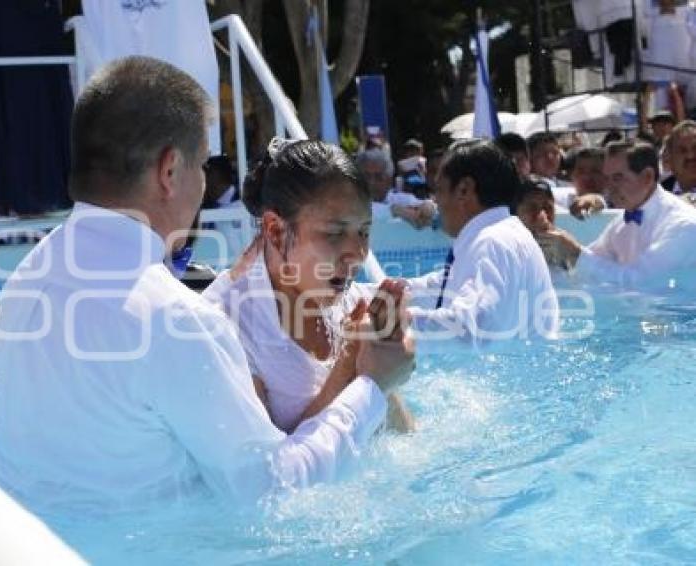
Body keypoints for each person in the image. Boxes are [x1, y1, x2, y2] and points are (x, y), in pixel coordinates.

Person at [0, 56, 415, 507]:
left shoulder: (30, 271)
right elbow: (271, 494)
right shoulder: (178, 318)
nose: (203, 186)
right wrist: (371, 384)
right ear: (170, 171)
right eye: (201, 168)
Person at [203, 139, 416, 435]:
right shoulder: (229, 327)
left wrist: (384, 361)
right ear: (276, 231)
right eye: (335, 233)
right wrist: (354, 367)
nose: (357, 253)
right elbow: (272, 472)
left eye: (363, 232)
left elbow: (405, 437)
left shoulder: (348, 300)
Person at [404, 139, 559, 350]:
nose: (435, 201)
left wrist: (394, 321)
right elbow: (437, 286)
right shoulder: (502, 234)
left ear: (464, 190)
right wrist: (370, 295)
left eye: (438, 189)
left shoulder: (492, 242)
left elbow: (469, 328)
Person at [538, 141, 696, 287]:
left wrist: (574, 254)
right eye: (607, 178)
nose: (609, 187)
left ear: (647, 177)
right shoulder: (622, 221)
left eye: (618, 178)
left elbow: (638, 282)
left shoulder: (684, 225)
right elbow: (592, 262)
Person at [660, 120, 696, 198]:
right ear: (670, 159)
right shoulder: (657, 196)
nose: (690, 156)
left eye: (695, 148)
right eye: (682, 151)